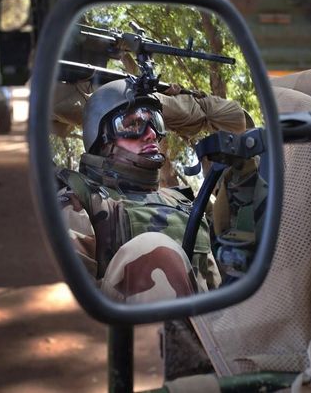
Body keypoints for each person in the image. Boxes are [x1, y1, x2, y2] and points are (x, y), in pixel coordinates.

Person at [55, 78, 222, 304]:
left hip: (204, 331)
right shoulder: (78, 199)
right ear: (102, 139)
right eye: (133, 125)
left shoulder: (183, 203)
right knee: (152, 249)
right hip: (127, 335)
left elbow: (217, 292)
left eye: (155, 123)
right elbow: (69, 304)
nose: (151, 133)